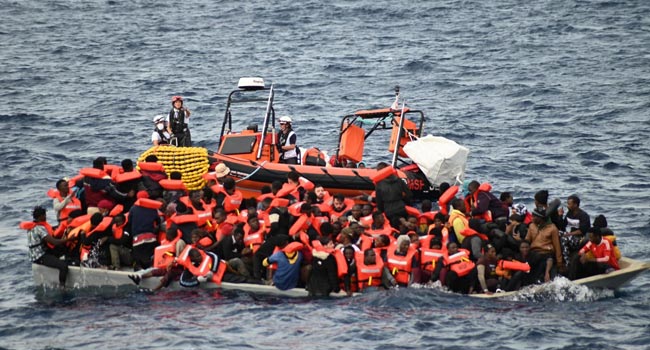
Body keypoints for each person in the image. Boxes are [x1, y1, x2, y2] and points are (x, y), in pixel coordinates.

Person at [23, 206, 69, 288]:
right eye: (44, 215)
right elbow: (54, 242)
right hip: (40, 256)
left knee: (62, 250)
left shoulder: (31, 226)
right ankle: (62, 287)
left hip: (34, 254)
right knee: (63, 266)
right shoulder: (39, 228)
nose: (45, 217)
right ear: (40, 216)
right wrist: (69, 239)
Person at [527, 206, 563, 282]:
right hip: (534, 253)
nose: (532, 218)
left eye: (535, 216)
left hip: (546, 253)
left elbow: (557, 246)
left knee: (543, 262)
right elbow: (527, 241)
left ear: (541, 218)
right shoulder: (531, 226)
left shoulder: (552, 228)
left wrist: (559, 261)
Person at [374, 162, 412, 230]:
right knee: (403, 225)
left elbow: (379, 202)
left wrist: (382, 211)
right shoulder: (399, 180)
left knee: (395, 227)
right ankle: (405, 224)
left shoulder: (379, 184)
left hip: (389, 209)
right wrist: (406, 204)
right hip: (401, 207)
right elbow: (409, 195)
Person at [560, 194, 591, 267]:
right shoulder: (569, 214)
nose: (567, 205)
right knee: (557, 233)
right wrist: (560, 216)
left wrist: (569, 234)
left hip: (580, 239)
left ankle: (567, 262)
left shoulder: (583, 215)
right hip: (571, 236)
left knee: (564, 239)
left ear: (575, 205)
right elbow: (563, 226)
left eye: (569, 204)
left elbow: (582, 231)